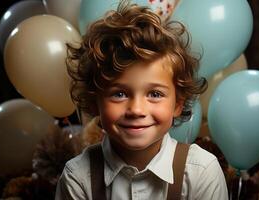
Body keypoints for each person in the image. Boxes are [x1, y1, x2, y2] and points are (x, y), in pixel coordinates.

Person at [55, 1, 228, 199]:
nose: (136, 110)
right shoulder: (78, 178)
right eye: (119, 94)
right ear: (95, 103)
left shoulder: (201, 173)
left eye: (155, 94)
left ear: (178, 104)